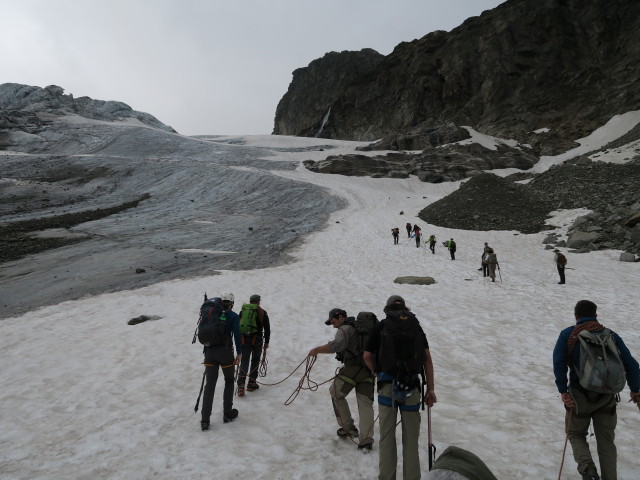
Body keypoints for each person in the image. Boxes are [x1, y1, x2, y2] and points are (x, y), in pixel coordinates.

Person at [553, 300, 640, 480]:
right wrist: (636, 389)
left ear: (575, 315)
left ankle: (588, 471)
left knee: (576, 434)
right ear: (596, 315)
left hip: (578, 396)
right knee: (606, 442)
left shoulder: (568, 335)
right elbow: (631, 364)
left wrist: (563, 390)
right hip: (606, 397)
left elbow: (559, 363)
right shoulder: (611, 336)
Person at [364, 296, 436, 480]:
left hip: (387, 385)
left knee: (387, 436)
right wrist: (431, 389)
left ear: (387, 309)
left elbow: (366, 356)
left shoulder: (381, 326)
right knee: (411, 440)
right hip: (412, 386)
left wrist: (376, 373)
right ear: (404, 308)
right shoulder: (415, 326)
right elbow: (427, 359)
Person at [308, 308, 375, 450]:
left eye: (333, 321)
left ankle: (348, 428)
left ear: (340, 317)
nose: (333, 325)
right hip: (368, 369)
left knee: (335, 392)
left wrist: (316, 350)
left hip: (352, 369)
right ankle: (366, 439)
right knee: (365, 403)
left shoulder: (345, 329)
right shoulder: (362, 329)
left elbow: (336, 346)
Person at [200, 292, 242, 431]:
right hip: (225, 353)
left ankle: (205, 420)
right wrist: (239, 354)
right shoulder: (233, 316)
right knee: (229, 380)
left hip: (209, 352)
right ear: (232, 303)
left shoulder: (211, 313)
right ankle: (227, 413)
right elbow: (237, 335)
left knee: (210, 385)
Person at [237, 294, 270, 396]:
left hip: (244, 339)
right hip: (257, 340)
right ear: (258, 302)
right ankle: (251, 384)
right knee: (255, 360)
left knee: (244, 361)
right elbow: (267, 329)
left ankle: (241, 386)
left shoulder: (243, 311)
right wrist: (267, 342)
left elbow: (239, 326)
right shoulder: (262, 312)